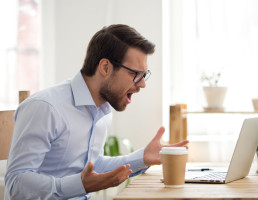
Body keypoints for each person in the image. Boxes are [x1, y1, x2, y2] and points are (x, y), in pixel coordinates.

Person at [4, 24, 189, 200]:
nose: (142, 84)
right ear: (105, 67)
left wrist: (142, 158)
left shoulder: (102, 110)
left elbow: (91, 166)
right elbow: (16, 183)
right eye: (136, 74)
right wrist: (79, 185)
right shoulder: (45, 107)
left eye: (144, 75)